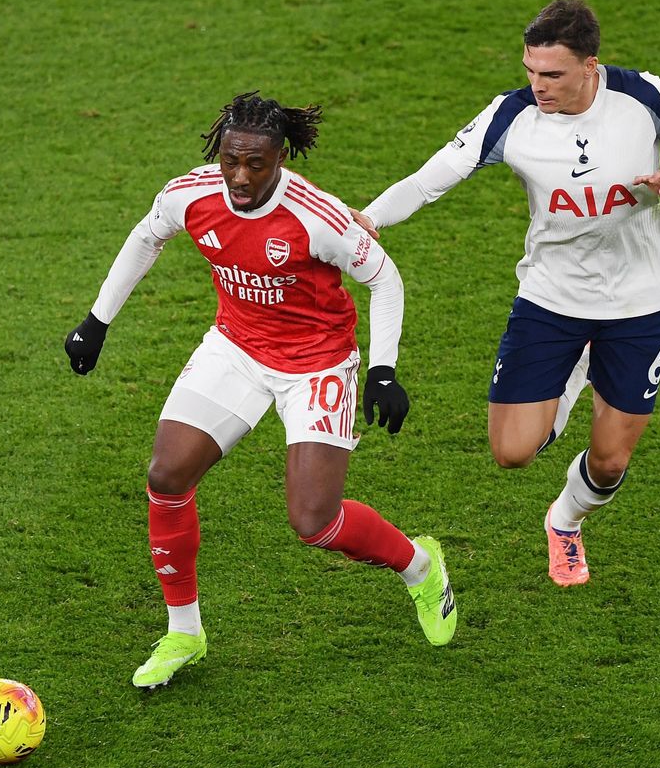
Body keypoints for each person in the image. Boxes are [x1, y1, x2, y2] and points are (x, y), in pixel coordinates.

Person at [65, 92, 457, 689]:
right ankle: (183, 632)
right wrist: (98, 321)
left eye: (257, 165)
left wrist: (382, 371)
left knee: (314, 521)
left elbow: (386, 277)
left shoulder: (317, 218)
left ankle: (422, 568)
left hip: (317, 364)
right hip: (238, 348)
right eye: (230, 161)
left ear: (280, 160)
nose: (240, 178)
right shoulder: (189, 194)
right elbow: (147, 237)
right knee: (167, 475)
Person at [353, 0, 660, 587]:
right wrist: (366, 219)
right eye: (530, 69)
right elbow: (430, 180)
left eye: (551, 74)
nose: (538, 85)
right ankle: (576, 366)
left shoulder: (642, 97)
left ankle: (566, 520)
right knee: (512, 452)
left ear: (590, 66)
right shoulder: (512, 115)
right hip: (551, 300)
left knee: (608, 461)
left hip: (640, 301)